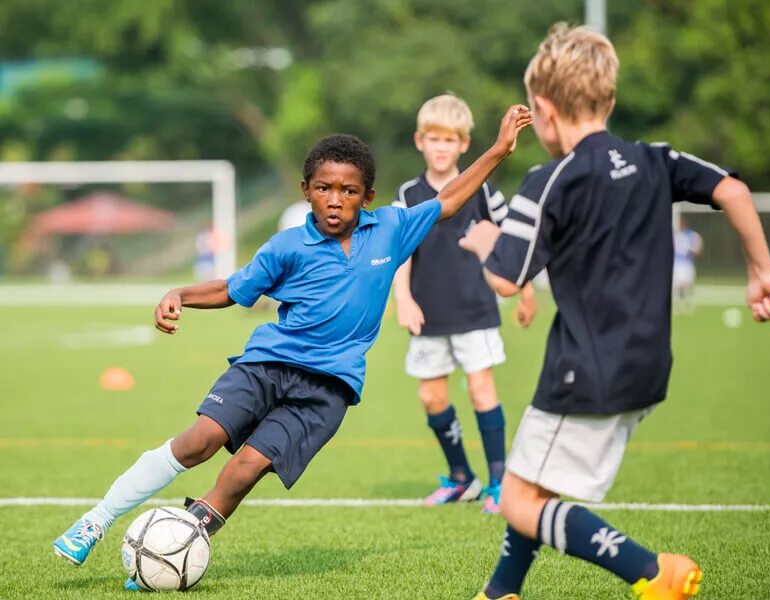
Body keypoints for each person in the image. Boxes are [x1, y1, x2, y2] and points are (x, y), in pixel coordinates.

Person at [52, 107, 533, 590]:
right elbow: (233, 289)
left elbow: (448, 199)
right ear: (306, 190)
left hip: (328, 390)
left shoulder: (390, 228)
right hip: (267, 365)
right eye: (323, 188)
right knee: (200, 441)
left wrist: (497, 150)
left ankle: (169, 552)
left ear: (367, 198)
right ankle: (96, 520)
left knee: (245, 470)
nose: (334, 201)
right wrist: (179, 294)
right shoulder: (286, 246)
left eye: (348, 191)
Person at [459, 23, 770, 600]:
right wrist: (761, 274)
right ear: (607, 99)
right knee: (535, 486)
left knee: (516, 498)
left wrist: (487, 242)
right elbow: (733, 191)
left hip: (584, 367)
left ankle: (651, 571)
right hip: (648, 366)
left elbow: (505, 281)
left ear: (543, 108)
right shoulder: (655, 159)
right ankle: (500, 591)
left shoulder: (549, 179)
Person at [392, 94, 536, 513]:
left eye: (449, 140)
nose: (440, 146)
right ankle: (461, 478)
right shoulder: (409, 193)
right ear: (420, 141)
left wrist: (525, 292)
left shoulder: (484, 189)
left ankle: (498, 482)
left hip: (475, 310)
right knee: (432, 398)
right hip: (428, 312)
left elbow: (511, 245)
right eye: (433, 138)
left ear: (464, 145)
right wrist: (402, 297)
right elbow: (400, 251)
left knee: (480, 388)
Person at [673, 216, 703, 311]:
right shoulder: (674, 235)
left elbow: (697, 250)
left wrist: (692, 250)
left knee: (687, 284)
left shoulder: (693, 235)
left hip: (687, 263)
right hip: (676, 263)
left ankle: (687, 303)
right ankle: (676, 304)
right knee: (676, 285)